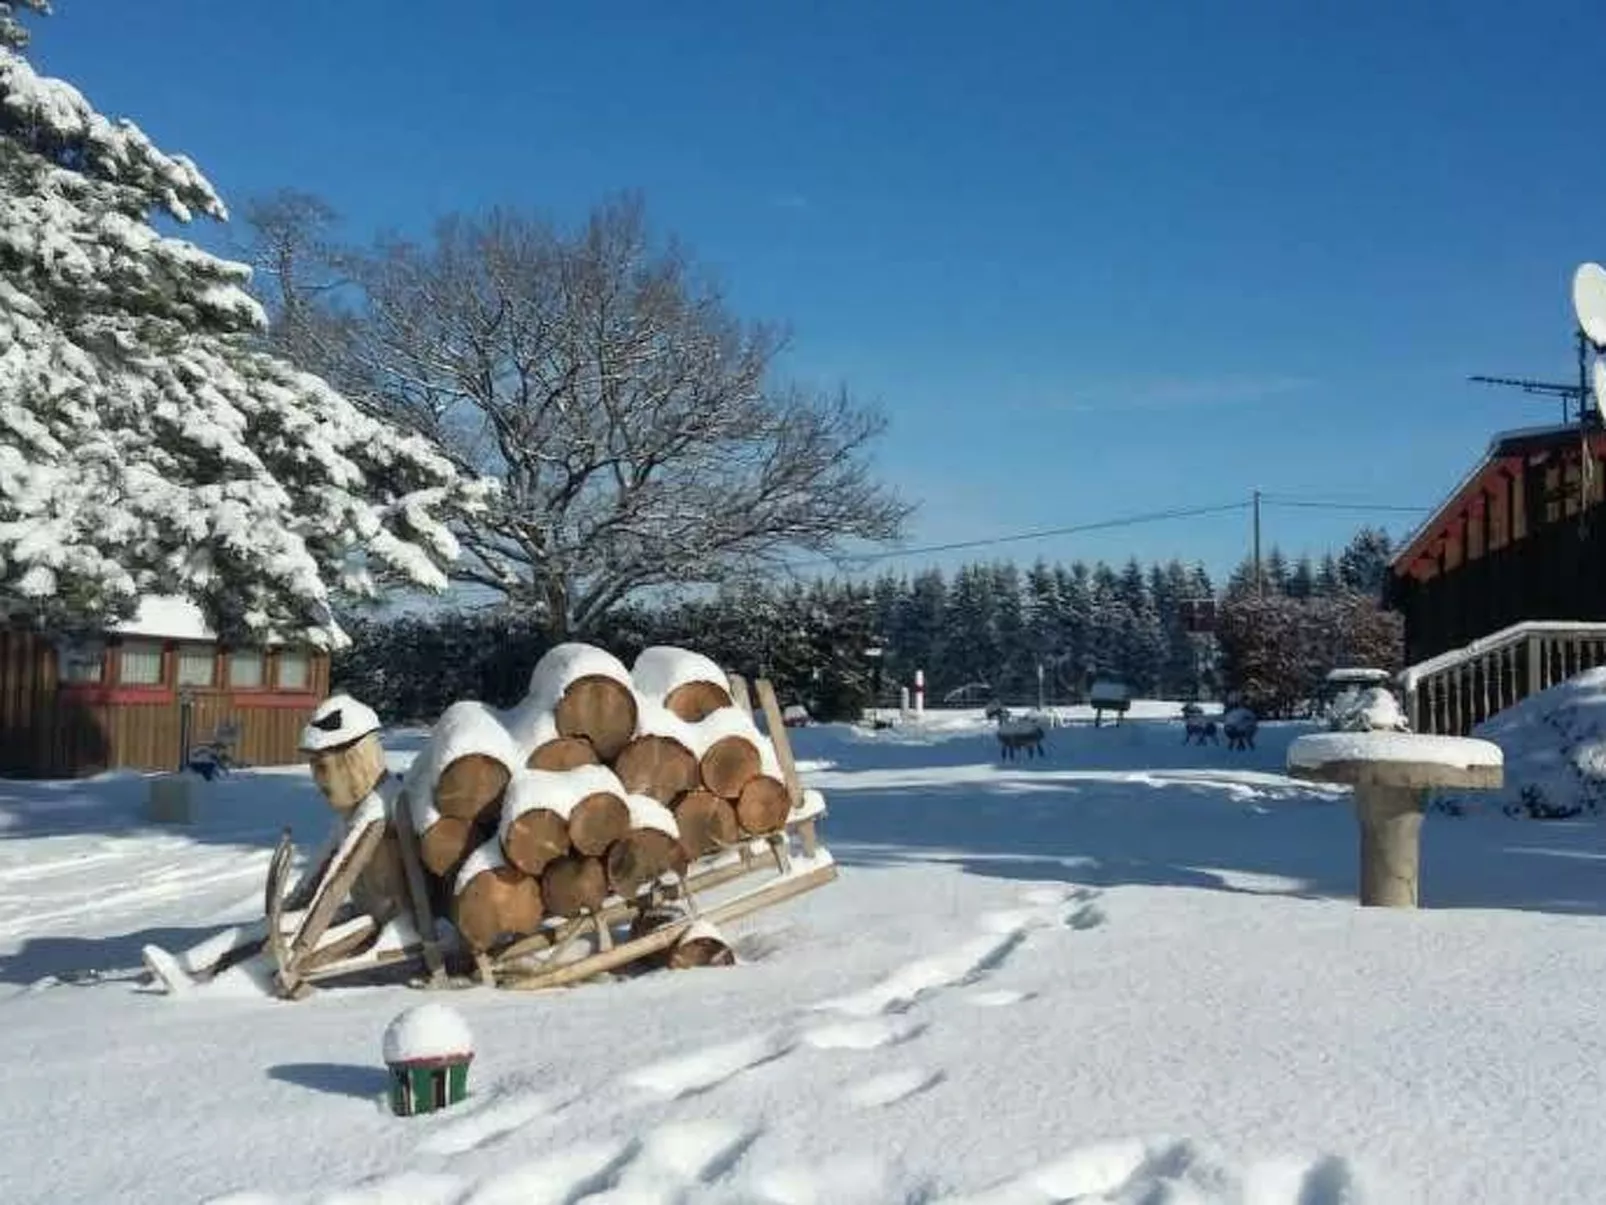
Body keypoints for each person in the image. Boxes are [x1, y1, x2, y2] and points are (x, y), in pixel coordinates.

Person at [142, 694, 414, 994]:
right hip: (363, 910)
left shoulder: (377, 809)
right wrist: (282, 915)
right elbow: (319, 874)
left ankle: (209, 991)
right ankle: (183, 964)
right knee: (262, 930)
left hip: (384, 923)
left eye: (322, 767)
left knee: (281, 956)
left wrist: (300, 948)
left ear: (354, 761)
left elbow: (336, 882)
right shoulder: (357, 811)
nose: (318, 780)